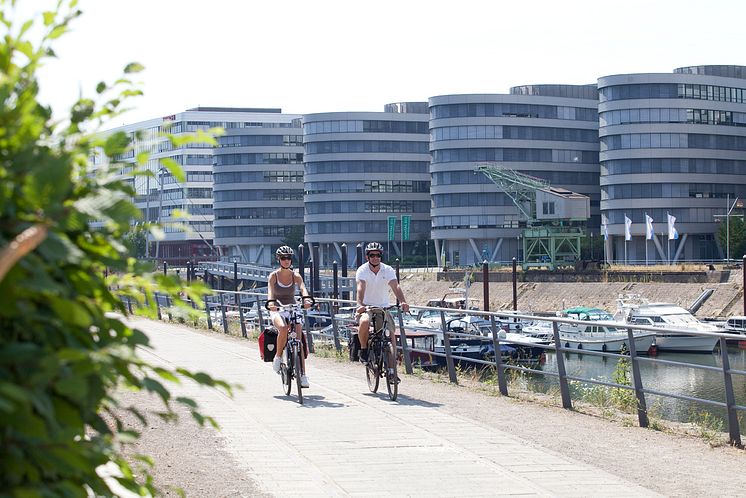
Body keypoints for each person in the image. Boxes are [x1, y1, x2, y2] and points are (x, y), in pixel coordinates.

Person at [355, 241, 409, 363]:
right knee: (364, 321)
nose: (375, 258)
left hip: (383, 307)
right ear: (367, 257)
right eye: (372, 255)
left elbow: (396, 286)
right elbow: (360, 287)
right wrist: (360, 305)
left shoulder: (387, 270)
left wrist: (403, 302)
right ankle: (363, 349)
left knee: (390, 334)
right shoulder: (362, 270)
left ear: (381, 256)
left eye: (378, 255)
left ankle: (392, 368)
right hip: (367, 306)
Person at [267, 245, 312, 388]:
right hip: (278, 308)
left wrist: (306, 299)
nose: (286, 261)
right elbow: (270, 291)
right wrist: (271, 303)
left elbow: (303, 288)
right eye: (283, 258)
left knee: (298, 340)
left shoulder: (295, 275)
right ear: (279, 260)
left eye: (289, 258)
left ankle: (303, 375)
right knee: (283, 328)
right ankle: (278, 356)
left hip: (293, 307)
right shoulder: (273, 276)